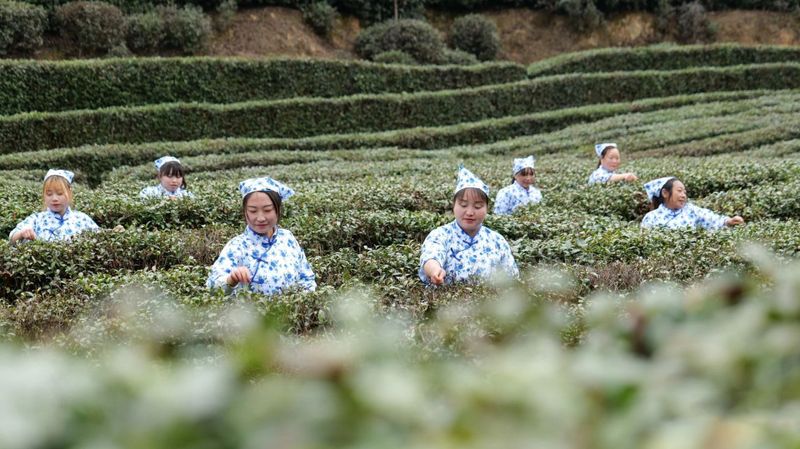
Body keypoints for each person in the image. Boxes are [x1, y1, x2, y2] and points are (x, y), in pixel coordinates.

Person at [206, 176, 316, 295]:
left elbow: (306, 278)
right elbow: (212, 288)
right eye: (253, 211)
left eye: (268, 210)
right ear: (245, 212)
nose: (261, 218)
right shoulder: (237, 246)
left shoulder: (287, 238)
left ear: (278, 210)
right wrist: (231, 280)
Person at [419, 166, 519, 285]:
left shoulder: (497, 241)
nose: (470, 212)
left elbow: (512, 279)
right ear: (454, 206)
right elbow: (431, 256)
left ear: (487, 208)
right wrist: (435, 270)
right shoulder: (440, 235)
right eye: (463, 205)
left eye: (477, 206)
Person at [9, 169, 99, 243]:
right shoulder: (36, 219)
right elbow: (12, 238)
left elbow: (100, 237)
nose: (54, 198)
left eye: (60, 193)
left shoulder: (82, 219)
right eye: (49, 194)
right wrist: (22, 233)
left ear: (69, 193)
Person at [641, 176, 745, 230]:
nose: (683, 195)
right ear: (665, 193)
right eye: (679, 191)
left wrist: (728, 221)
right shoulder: (651, 217)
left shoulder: (690, 210)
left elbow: (710, 218)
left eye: (684, 192)